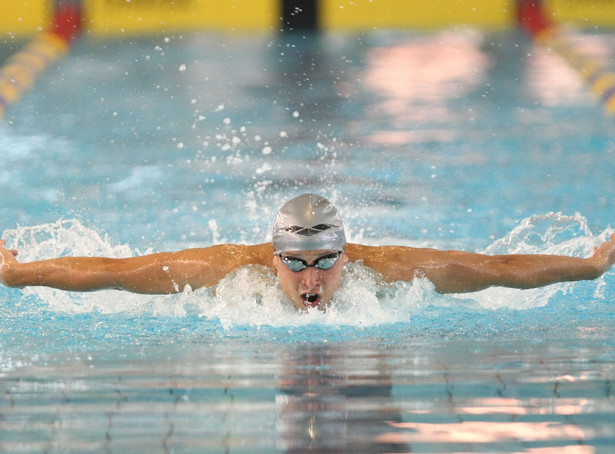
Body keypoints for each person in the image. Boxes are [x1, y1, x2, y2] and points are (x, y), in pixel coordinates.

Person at [1, 193, 614, 310]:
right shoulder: (222, 272)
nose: (309, 281)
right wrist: (18, 276)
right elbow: (111, 274)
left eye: (325, 263)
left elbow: (498, 272)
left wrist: (589, 266)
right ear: (273, 260)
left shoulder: (394, 273)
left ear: (347, 256)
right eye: (293, 264)